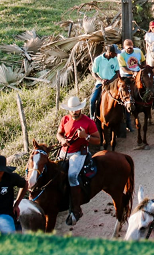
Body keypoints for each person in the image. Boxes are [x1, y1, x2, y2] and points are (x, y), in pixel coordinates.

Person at [56, 96, 101, 225]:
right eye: (72, 110)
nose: (74, 112)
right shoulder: (65, 119)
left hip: (78, 153)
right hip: (64, 151)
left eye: (77, 110)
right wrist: (62, 140)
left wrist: (85, 136)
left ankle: (76, 209)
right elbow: (59, 133)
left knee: (71, 176)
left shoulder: (88, 122)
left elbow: (98, 140)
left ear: (80, 109)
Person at [90, 44, 120, 126]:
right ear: (110, 52)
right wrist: (101, 80)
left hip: (113, 83)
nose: (116, 54)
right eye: (115, 53)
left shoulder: (115, 59)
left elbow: (117, 73)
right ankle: (92, 117)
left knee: (122, 99)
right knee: (92, 100)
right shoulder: (98, 59)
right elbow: (94, 72)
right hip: (100, 83)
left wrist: (110, 80)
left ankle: (126, 121)